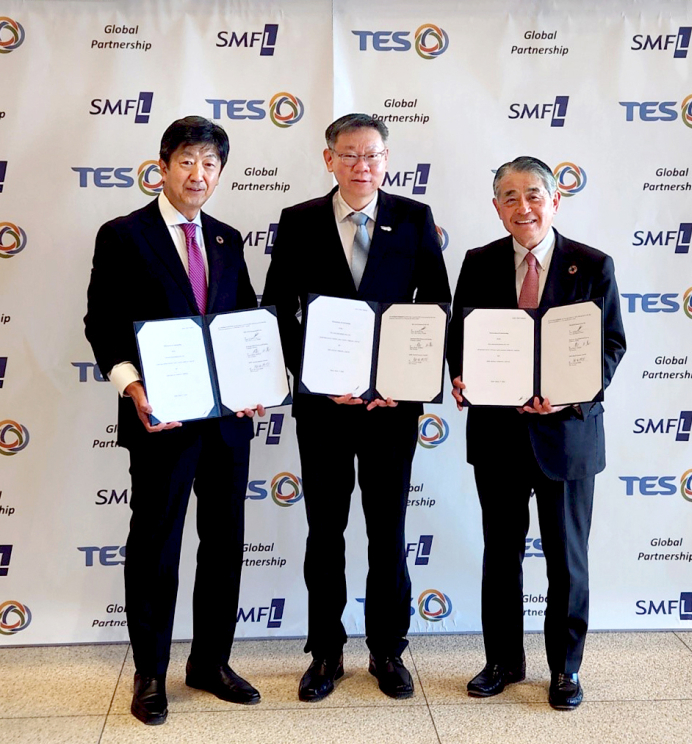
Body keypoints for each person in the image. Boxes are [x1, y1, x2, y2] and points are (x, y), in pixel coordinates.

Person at [262, 113, 451, 701]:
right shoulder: (299, 221)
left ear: (386, 161)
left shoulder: (414, 219)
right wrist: (316, 375)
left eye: (371, 155)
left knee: (388, 530)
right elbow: (277, 310)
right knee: (326, 532)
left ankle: (388, 650)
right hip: (324, 409)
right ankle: (325, 652)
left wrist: (407, 379)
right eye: (349, 155)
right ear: (329, 159)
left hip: (391, 410)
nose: (361, 165)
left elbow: (436, 306)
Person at [84, 116, 263, 725]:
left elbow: (244, 322)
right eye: (187, 160)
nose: (198, 173)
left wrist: (254, 384)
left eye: (210, 163)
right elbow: (102, 325)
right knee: (157, 544)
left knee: (225, 543)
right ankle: (151, 672)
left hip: (226, 424)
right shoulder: (124, 235)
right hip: (159, 419)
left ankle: (211, 662)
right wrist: (132, 387)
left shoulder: (226, 239)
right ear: (162, 166)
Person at [447, 156, 626, 710]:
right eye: (509, 197)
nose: (522, 207)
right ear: (496, 206)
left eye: (533, 195)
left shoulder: (592, 264)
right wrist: (460, 374)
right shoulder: (478, 262)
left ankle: (565, 670)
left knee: (566, 559)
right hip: (499, 435)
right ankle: (502, 661)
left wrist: (573, 391)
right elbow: (461, 336)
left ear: (555, 200)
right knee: (500, 555)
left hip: (567, 435)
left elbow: (611, 345)